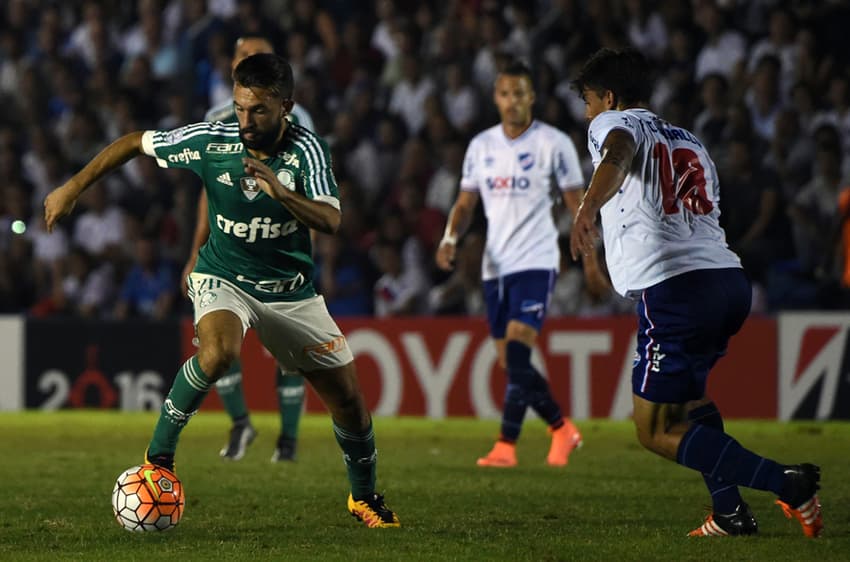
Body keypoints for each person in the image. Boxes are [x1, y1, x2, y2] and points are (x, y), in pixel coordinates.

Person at [44, 53, 399, 528]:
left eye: (259, 110)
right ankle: (158, 458)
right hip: (222, 276)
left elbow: (331, 219)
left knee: (349, 402)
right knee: (218, 354)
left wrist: (282, 194)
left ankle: (364, 498)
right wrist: (70, 188)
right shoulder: (213, 140)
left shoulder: (307, 150)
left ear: (286, 107)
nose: (246, 121)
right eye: (240, 108)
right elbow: (134, 142)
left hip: (289, 291)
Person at [569, 47, 822, 538]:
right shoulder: (691, 140)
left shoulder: (612, 123)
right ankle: (730, 513)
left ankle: (786, 483)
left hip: (675, 288)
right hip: (726, 281)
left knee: (654, 430)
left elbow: (618, 149)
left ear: (609, 98)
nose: (587, 114)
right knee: (689, 403)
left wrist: (588, 207)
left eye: (588, 102)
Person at [436, 60, 608, 468]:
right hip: (494, 267)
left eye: (519, 93)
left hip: (536, 260)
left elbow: (578, 208)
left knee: (516, 356)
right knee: (510, 363)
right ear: (496, 99)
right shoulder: (481, 146)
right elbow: (465, 203)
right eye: (504, 94)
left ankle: (506, 445)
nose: (512, 101)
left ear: (531, 97)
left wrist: (591, 265)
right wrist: (449, 238)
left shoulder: (554, 143)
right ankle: (562, 429)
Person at [184, 34, 316, 463]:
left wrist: (309, 250)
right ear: (233, 66)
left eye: (260, 56)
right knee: (218, 340)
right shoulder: (216, 119)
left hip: (279, 247)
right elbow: (208, 191)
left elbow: (310, 186)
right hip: (229, 249)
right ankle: (241, 423)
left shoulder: (298, 119)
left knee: (289, 349)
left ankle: (288, 440)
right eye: (244, 56)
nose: (251, 61)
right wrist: (195, 250)